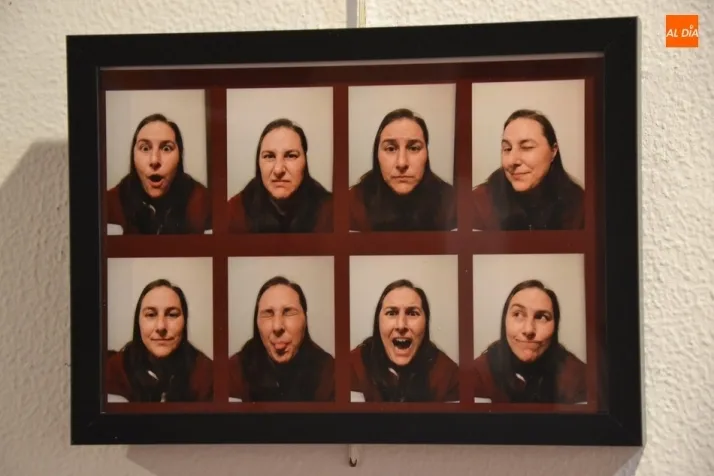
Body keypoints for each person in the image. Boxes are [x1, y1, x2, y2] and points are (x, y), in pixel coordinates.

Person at [471, 279, 587, 403]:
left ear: (555, 326)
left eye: (542, 317)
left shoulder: (579, 377)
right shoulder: (478, 374)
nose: (529, 330)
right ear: (504, 322)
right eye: (518, 314)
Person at [472, 109, 584, 230]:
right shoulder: (479, 203)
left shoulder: (580, 206)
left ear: (553, 151)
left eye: (527, 147)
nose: (512, 161)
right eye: (507, 148)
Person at [350, 279, 459, 402]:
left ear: (426, 323)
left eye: (412, 313)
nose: (401, 325)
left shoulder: (449, 375)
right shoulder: (352, 367)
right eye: (391, 313)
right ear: (378, 323)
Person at [228, 276, 335, 402]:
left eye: (288, 312)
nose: (277, 326)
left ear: (305, 319)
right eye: (268, 313)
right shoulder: (234, 371)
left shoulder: (329, 372)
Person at [349, 108, 457, 232]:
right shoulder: (350, 205)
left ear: (426, 155)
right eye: (390, 149)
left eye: (414, 148)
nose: (402, 163)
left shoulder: (453, 204)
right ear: (376, 155)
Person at [105, 278, 213, 402]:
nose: (161, 326)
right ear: (138, 322)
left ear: (185, 322)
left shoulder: (207, 375)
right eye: (151, 315)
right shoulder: (112, 371)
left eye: (172, 314)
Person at [106, 113, 212, 234]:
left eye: (166, 148)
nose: (154, 160)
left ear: (179, 157)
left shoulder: (205, 205)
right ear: (133, 155)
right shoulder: (109, 205)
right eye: (145, 148)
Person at [227, 118, 333, 233]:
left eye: (291, 156)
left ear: (305, 162)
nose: (278, 170)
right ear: (258, 163)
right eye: (269, 156)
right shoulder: (234, 213)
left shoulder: (330, 211)